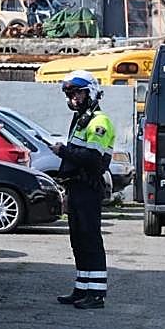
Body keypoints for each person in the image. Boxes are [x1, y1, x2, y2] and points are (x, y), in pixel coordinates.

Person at [53, 69, 114, 309]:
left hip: (89, 187)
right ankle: (82, 288)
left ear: (91, 93)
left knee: (90, 239)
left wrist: (63, 151)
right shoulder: (82, 121)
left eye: (78, 93)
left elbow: (92, 158)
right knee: (78, 240)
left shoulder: (99, 121)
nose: (73, 98)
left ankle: (96, 294)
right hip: (76, 187)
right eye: (70, 94)